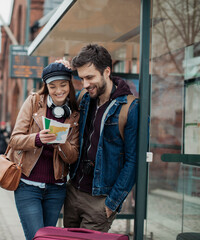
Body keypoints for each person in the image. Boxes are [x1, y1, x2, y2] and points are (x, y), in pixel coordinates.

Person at [63, 44, 139, 232]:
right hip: (73, 193)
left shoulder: (130, 108)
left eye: (90, 77)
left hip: (99, 201)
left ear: (106, 71)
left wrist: (111, 204)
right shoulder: (84, 99)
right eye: (81, 78)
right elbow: (56, 100)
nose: (86, 84)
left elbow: (133, 161)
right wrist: (59, 70)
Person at [7, 62, 80, 240]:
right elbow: (14, 140)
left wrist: (59, 142)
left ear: (69, 84)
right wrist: (37, 139)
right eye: (52, 86)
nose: (58, 91)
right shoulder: (33, 102)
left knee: (48, 238)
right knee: (37, 237)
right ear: (46, 87)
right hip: (27, 186)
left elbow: (73, 157)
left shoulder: (75, 113)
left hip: (56, 189)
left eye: (63, 85)